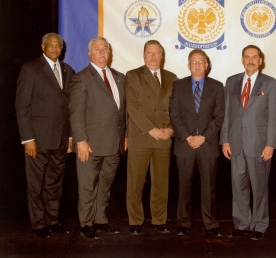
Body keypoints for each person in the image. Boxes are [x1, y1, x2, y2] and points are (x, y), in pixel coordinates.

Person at [15, 33, 73, 238]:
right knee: (36, 183)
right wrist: (27, 139)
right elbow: (22, 107)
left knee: (54, 183)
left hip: (60, 138)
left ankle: (53, 220)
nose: (55, 48)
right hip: (38, 139)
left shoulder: (68, 70)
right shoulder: (31, 69)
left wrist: (70, 138)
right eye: (51, 45)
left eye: (59, 45)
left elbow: (70, 107)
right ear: (42, 47)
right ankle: (39, 224)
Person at [69, 37, 127, 239]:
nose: (102, 52)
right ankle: (86, 224)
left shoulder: (119, 77)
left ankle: (101, 220)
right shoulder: (82, 78)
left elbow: (122, 112)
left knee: (105, 186)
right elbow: (76, 113)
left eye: (105, 49)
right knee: (87, 187)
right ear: (89, 53)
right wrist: (81, 141)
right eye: (97, 49)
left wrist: (124, 136)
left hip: (114, 144)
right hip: (90, 145)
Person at [220, 45, 276, 241]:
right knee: (238, 186)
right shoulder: (231, 82)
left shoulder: (270, 84)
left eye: (255, 57)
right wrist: (225, 140)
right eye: (247, 57)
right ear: (242, 60)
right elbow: (228, 114)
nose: (251, 60)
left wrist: (270, 144)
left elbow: (273, 118)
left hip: (259, 145)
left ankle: (260, 225)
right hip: (235, 144)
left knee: (259, 187)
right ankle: (242, 224)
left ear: (260, 60)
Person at [169, 49, 225, 237]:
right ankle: (183, 222)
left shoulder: (217, 87)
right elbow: (174, 114)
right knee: (184, 187)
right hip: (184, 145)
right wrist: (187, 136)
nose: (198, 65)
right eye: (194, 62)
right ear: (188, 65)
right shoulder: (178, 86)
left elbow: (219, 116)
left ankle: (210, 224)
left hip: (207, 145)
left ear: (207, 65)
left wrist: (203, 137)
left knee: (209, 188)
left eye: (201, 62)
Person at [125, 40, 177, 235]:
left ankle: (159, 220)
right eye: (149, 53)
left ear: (162, 56)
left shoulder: (172, 78)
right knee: (136, 182)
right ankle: (135, 221)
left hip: (164, 138)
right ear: (144, 55)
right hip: (142, 137)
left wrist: (171, 129)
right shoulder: (133, 75)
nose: (153, 56)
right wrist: (151, 130)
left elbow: (175, 108)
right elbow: (133, 107)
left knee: (161, 183)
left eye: (157, 53)